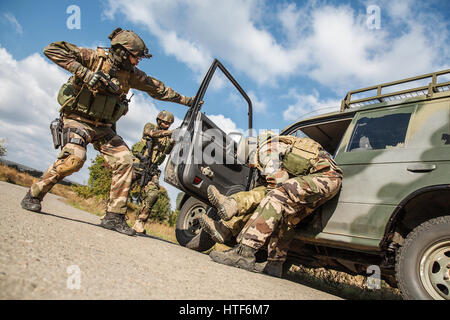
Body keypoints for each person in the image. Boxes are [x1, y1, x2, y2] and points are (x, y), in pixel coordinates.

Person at [20, 28, 195, 236]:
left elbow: (158, 88)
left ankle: (114, 216)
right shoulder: (93, 58)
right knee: (74, 160)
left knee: (125, 160)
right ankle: (33, 194)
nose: (137, 62)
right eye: (135, 57)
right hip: (77, 120)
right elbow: (52, 49)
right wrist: (83, 72)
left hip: (104, 128)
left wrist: (188, 102)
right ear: (121, 52)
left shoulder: (131, 75)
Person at [207, 132, 344, 277]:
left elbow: (279, 181)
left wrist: (258, 199)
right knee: (288, 218)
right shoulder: (281, 144)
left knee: (275, 197)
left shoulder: (265, 149)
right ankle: (274, 265)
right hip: (329, 180)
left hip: (324, 178)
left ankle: (244, 252)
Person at [131, 110, 175, 234]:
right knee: (123, 186)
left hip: (151, 170)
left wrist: (173, 141)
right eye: (166, 123)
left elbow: (166, 151)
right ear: (159, 120)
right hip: (138, 164)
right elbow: (151, 134)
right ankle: (113, 212)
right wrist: (170, 132)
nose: (167, 125)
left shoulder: (167, 137)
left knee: (153, 195)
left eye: (169, 124)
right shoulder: (150, 126)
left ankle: (140, 222)